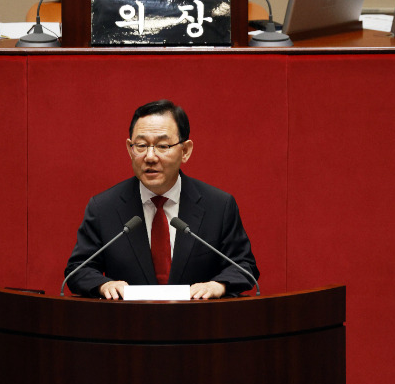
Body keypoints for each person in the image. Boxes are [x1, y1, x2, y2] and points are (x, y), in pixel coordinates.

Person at [64, 100, 258, 299]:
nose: (150, 156)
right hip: (127, 324)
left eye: (162, 145)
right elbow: (77, 270)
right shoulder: (104, 208)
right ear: (130, 148)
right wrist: (104, 285)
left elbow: (244, 266)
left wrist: (218, 285)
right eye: (141, 145)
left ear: (185, 151)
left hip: (199, 324)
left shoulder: (218, 206)